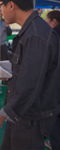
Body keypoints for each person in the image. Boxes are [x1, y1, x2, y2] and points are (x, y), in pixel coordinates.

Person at [0, 0, 60, 150]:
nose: (0, 10)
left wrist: (2, 115)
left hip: (30, 119)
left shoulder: (36, 35)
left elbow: (30, 85)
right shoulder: (30, 31)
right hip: (18, 115)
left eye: (0, 5)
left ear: (11, 5)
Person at [44, 10, 60, 150]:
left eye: (47, 21)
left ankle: (55, 144)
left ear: (54, 22)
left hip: (55, 86)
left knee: (55, 117)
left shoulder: (53, 38)